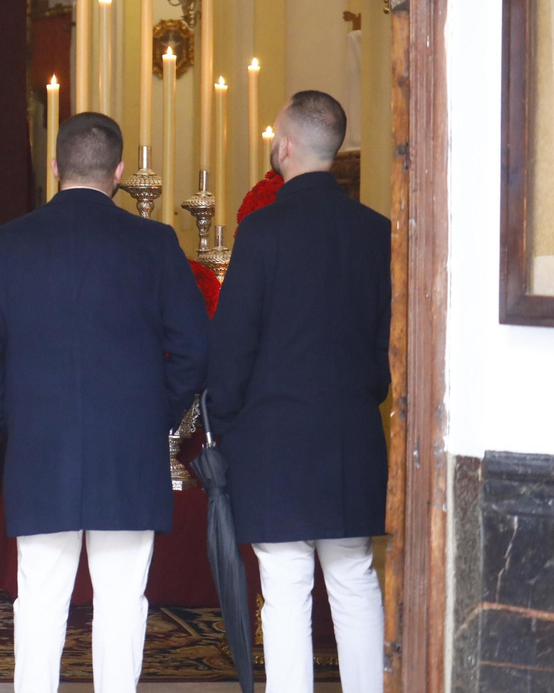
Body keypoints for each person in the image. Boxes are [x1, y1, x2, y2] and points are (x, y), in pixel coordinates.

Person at [0, 112, 208, 693]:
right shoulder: (155, 243)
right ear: (118, 172)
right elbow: (194, 347)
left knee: (39, 599)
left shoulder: (5, 243)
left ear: (55, 168)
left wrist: (12, 418)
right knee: (122, 600)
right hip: (129, 447)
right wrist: (158, 416)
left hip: (41, 444)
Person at [207, 90, 390, 693]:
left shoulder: (262, 231)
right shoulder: (376, 232)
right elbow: (388, 342)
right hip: (351, 434)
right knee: (354, 579)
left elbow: (233, 342)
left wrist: (224, 422)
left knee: (285, 587)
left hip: (274, 439)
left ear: (285, 146)